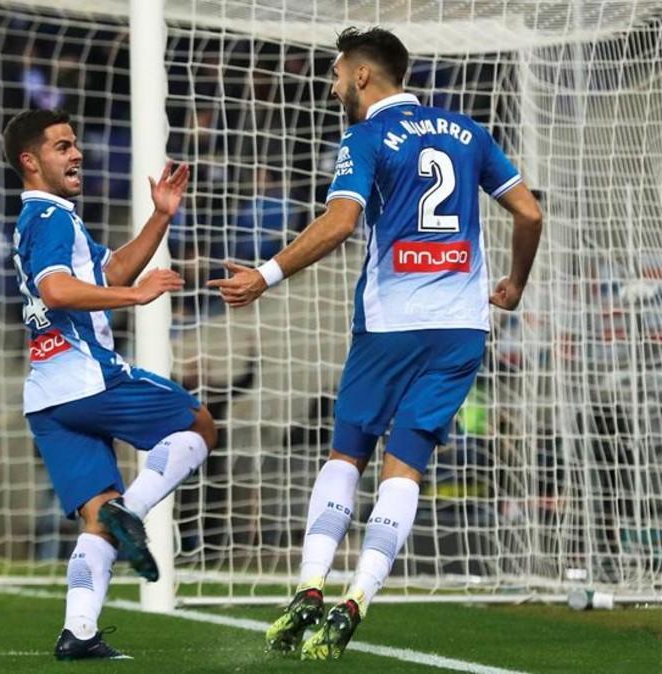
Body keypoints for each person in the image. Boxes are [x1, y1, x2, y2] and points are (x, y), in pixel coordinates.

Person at [209, 27, 542, 660]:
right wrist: (516, 285)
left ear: (362, 76)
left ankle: (310, 586)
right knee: (407, 463)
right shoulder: (468, 133)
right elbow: (530, 214)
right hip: (461, 327)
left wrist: (265, 275)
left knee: (347, 455)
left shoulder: (363, 137)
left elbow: (340, 221)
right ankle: (358, 597)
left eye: (337, 73)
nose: (333, 85)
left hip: (391, 323)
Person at [3, 108, 218, 661]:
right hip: (88, 376)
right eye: (61, 146)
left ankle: (78, 632)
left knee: (96, 517)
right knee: (198, 425)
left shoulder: (48, 219)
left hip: (47, 399)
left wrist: (160, 217)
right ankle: (136, 509)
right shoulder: (49, 217)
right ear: (30, 161)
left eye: (75, 143)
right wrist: (137, 298)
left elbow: (111, 270)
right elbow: (56, 291)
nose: (76, 154)